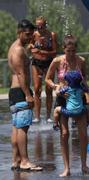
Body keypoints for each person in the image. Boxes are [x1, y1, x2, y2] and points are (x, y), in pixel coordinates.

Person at [45, 35, 89, 177]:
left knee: (83, 134)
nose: (71, 54)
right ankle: (67, 168)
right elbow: (47, 79)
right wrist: (56, 87)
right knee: (65, 133)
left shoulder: (81, 61)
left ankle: (84, 166)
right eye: (68, 51)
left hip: (78, 98)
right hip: (62, 98)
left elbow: (84, 80)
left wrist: (88, 96)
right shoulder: (57, 61)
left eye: (73, 51)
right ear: (64, 49)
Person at [8, 19, 42, 171]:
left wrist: (29, 47)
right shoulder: (18, 50)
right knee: (23, 127)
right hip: (21, 91)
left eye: (31, 34)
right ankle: (25, 161)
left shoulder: (17, 47)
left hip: (14, 92)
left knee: (16, 127)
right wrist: (28, 94)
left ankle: (16, 160)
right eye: (27, 34)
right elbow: (21, 73)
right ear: (19, 32)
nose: (30, 37)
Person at [30, 16, 57, 123]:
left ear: (46, 25)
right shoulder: (34, 35)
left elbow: (54, 52)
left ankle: (48, 116)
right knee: (37, 89)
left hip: (48, 63)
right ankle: (37, 116)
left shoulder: (52, 35)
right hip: (36, 63)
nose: (39, 28)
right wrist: (32, 46)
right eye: (37, 26)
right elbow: (30, 46)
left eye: (41, 26)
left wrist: (42, 52)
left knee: (49, 89)